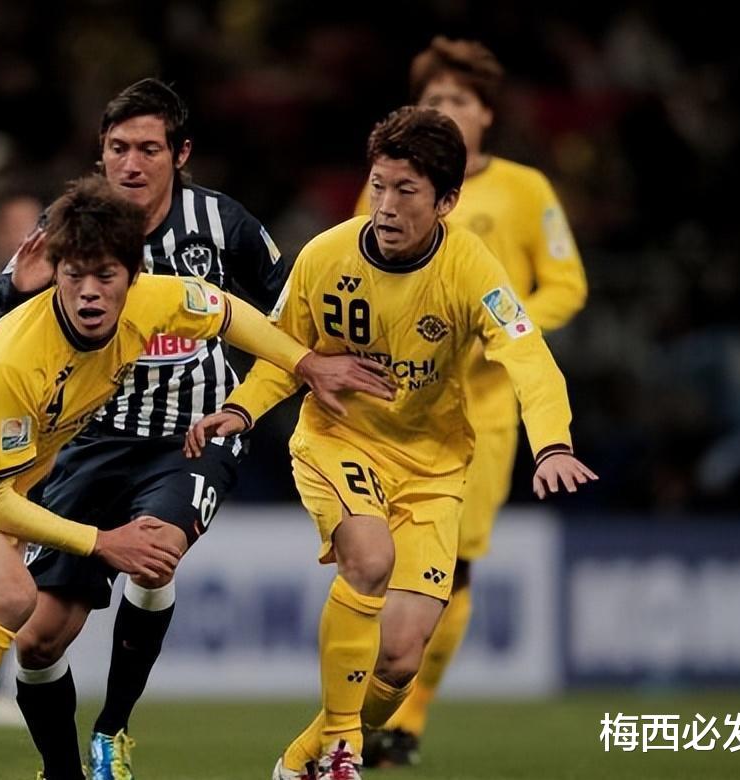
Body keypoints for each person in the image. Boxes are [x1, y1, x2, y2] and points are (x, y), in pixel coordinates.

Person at [0, 175, 387, 780]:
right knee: (9, 596)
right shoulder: (17, 359)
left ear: (134, 275)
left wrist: (306, 363)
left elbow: (225, 312)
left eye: (106, 276)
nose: (90, 292)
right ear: (54, 273)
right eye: (74, 275)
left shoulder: (153, 300)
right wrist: (102, 541)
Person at [0, 79, 380, 780]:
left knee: (154, 553)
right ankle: (62, 770)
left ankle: (113, 731)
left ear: (180, 154)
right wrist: (15, 287)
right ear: (100, 153)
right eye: (118, 148)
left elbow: (287, 314)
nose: (131, 163)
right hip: (90, 440)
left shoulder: (223, 224)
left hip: (194, 435)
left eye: (149, 149)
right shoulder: (71, 226)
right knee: (37, 640)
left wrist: (279, 386)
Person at [187, 106, 597, 780]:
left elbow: (528, 358)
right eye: (379, 185)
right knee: (370, 558)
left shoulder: (471, 268)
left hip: (433, 467)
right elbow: (283, 353)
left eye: (407, 191)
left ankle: (303, 760)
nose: (386, 205)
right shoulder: (325, 256)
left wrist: (552, 444)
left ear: (446, 202)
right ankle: (342, 749)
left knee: (401, 659)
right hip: (339, 438)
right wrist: (241, 408)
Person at [351, 37, 588, 767]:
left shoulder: (525, 190)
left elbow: (566, 285)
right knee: (374, 562)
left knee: (448, 568)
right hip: (391, 408)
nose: (447, 109)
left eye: (460, 99)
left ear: (486, 113)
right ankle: (361, 703)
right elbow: (358, 271)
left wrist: (500, 332)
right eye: (435, 99)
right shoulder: (391, 187)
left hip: (479, 414)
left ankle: (404, 720)